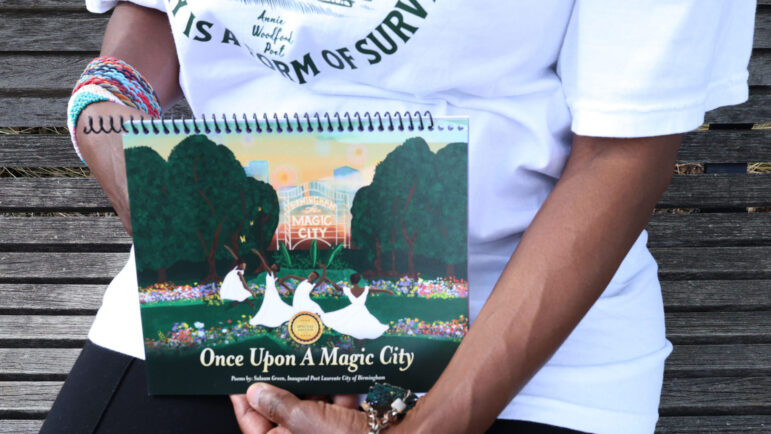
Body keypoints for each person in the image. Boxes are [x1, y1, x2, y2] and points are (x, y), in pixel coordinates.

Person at [41, 1, 756, 433]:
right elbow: (150, 23)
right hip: (227, 280)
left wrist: (435, 425)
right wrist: (179, 231)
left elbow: (619, 155)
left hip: (524, 336)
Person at [321, 273, 394, 340]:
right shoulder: (365, 289)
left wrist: (329, 280)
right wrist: (388, 291)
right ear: (359, 280)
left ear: (350, 281)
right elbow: (378, 290)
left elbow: (338, 288)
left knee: (352, 326)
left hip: (352, 310)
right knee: (363, 328)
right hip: (362, 310)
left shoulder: (349, 290)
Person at [248, 250, 295, 327]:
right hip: (271, 291)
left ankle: (272, 318)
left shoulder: (270, 272)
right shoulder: (274, 275)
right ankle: (273, 317)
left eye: (274, 265)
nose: (272, 265)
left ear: (276, 268)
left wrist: (258, 254)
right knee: (272, 304)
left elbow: (264, 263)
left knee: (270, 304)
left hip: (270, 292)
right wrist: (290, 290)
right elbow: (282, 283)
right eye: (273, 265)